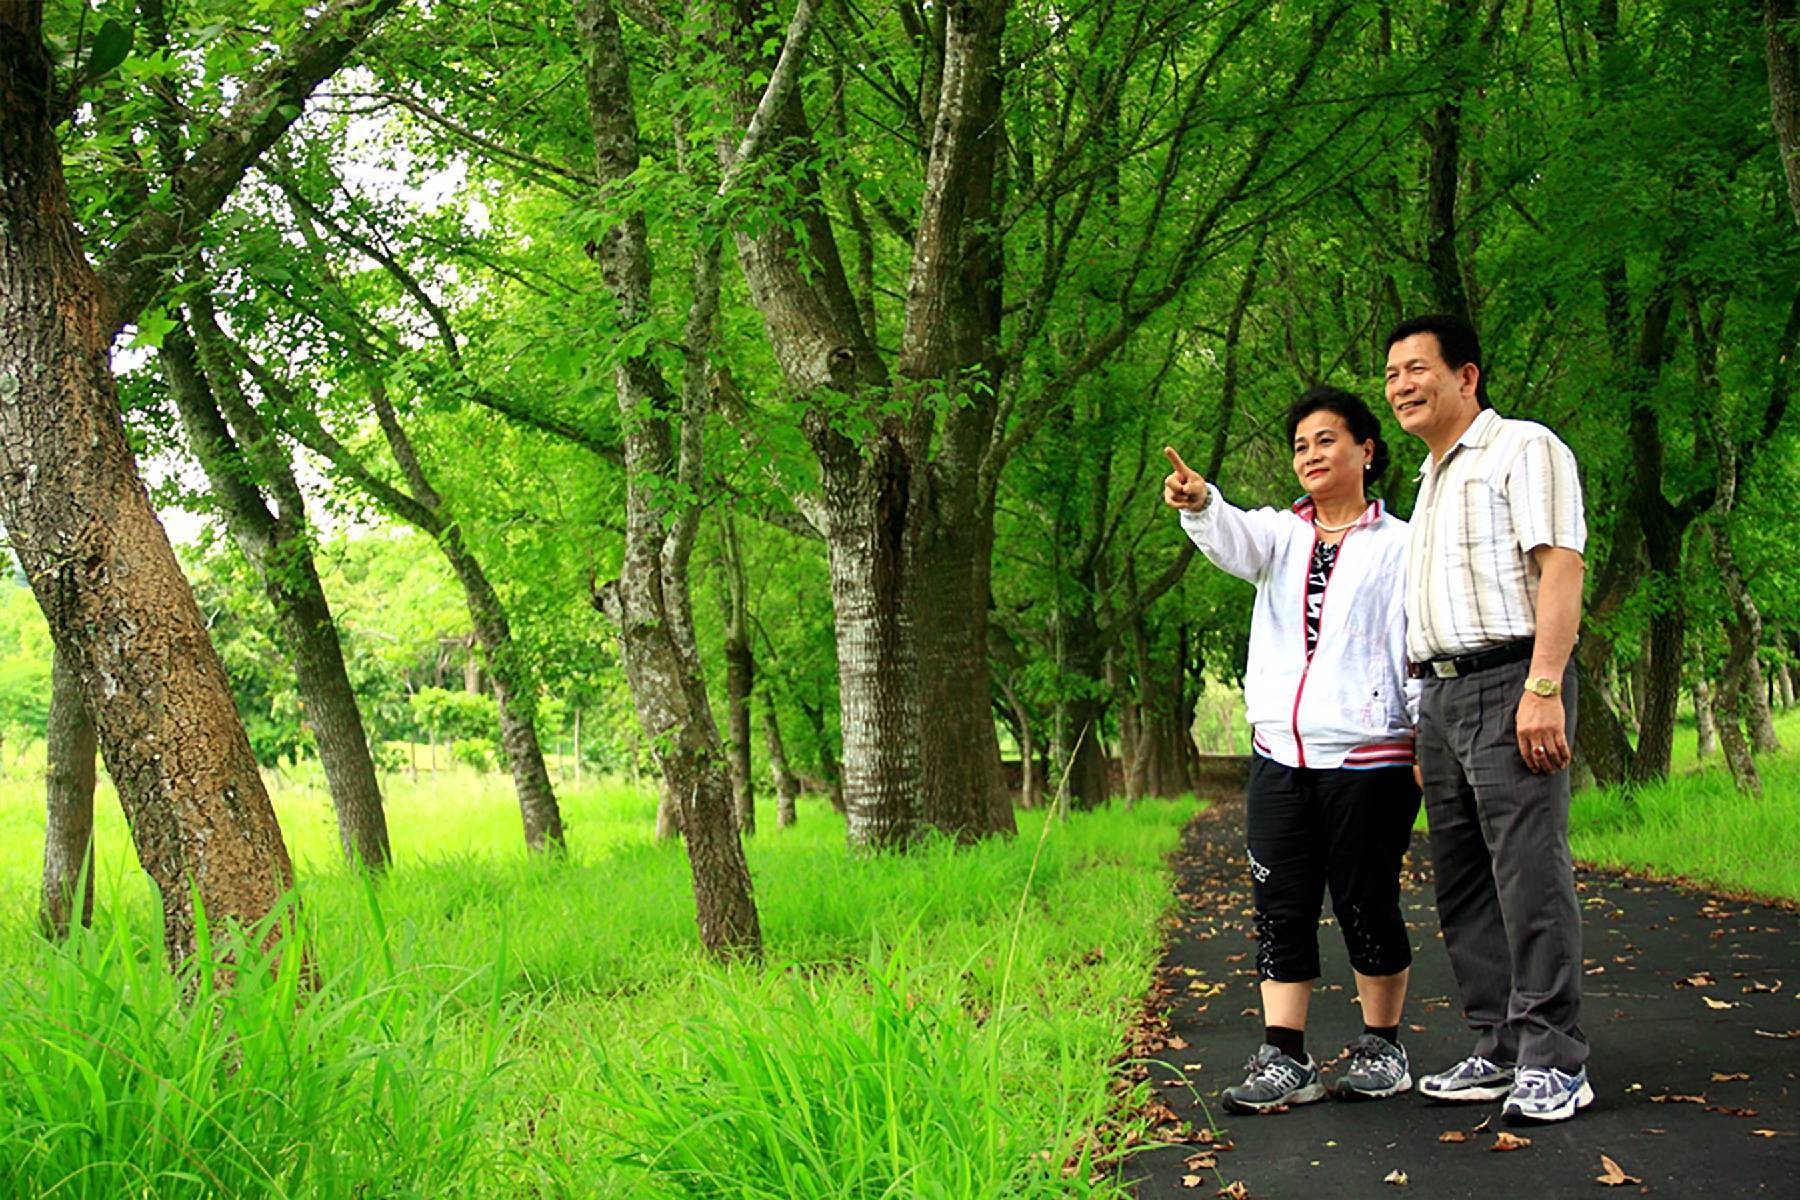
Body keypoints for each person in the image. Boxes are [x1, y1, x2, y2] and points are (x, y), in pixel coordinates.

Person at [1164, 386, 1422, 1114]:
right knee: (1280, 905)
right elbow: (1232, 536)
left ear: (1367, 451)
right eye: (1302, 444)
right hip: (1280, 755)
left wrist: (1425, 734)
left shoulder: (1403, 545)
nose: (1312, 454)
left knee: (1366, 900)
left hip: (1372, 756)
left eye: (1327, 440)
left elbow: (1419, 643)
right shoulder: (1280, 535)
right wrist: (1201, 502)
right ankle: (1286, 1057)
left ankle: (1383, 1045)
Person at [1383, 313, 1591, 1124]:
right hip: (1440, 697)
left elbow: (1559, 566)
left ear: (1467, 375)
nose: (1401, 384)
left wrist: (1543, 686)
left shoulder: (1522, 449)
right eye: (1391, 373)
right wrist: (1419, 720)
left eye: (1416, 367)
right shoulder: (1431, 478)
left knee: (1528, 871)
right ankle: (1498, 1045)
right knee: (1464, 880)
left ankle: (1554, 1057)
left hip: (1511, 680)